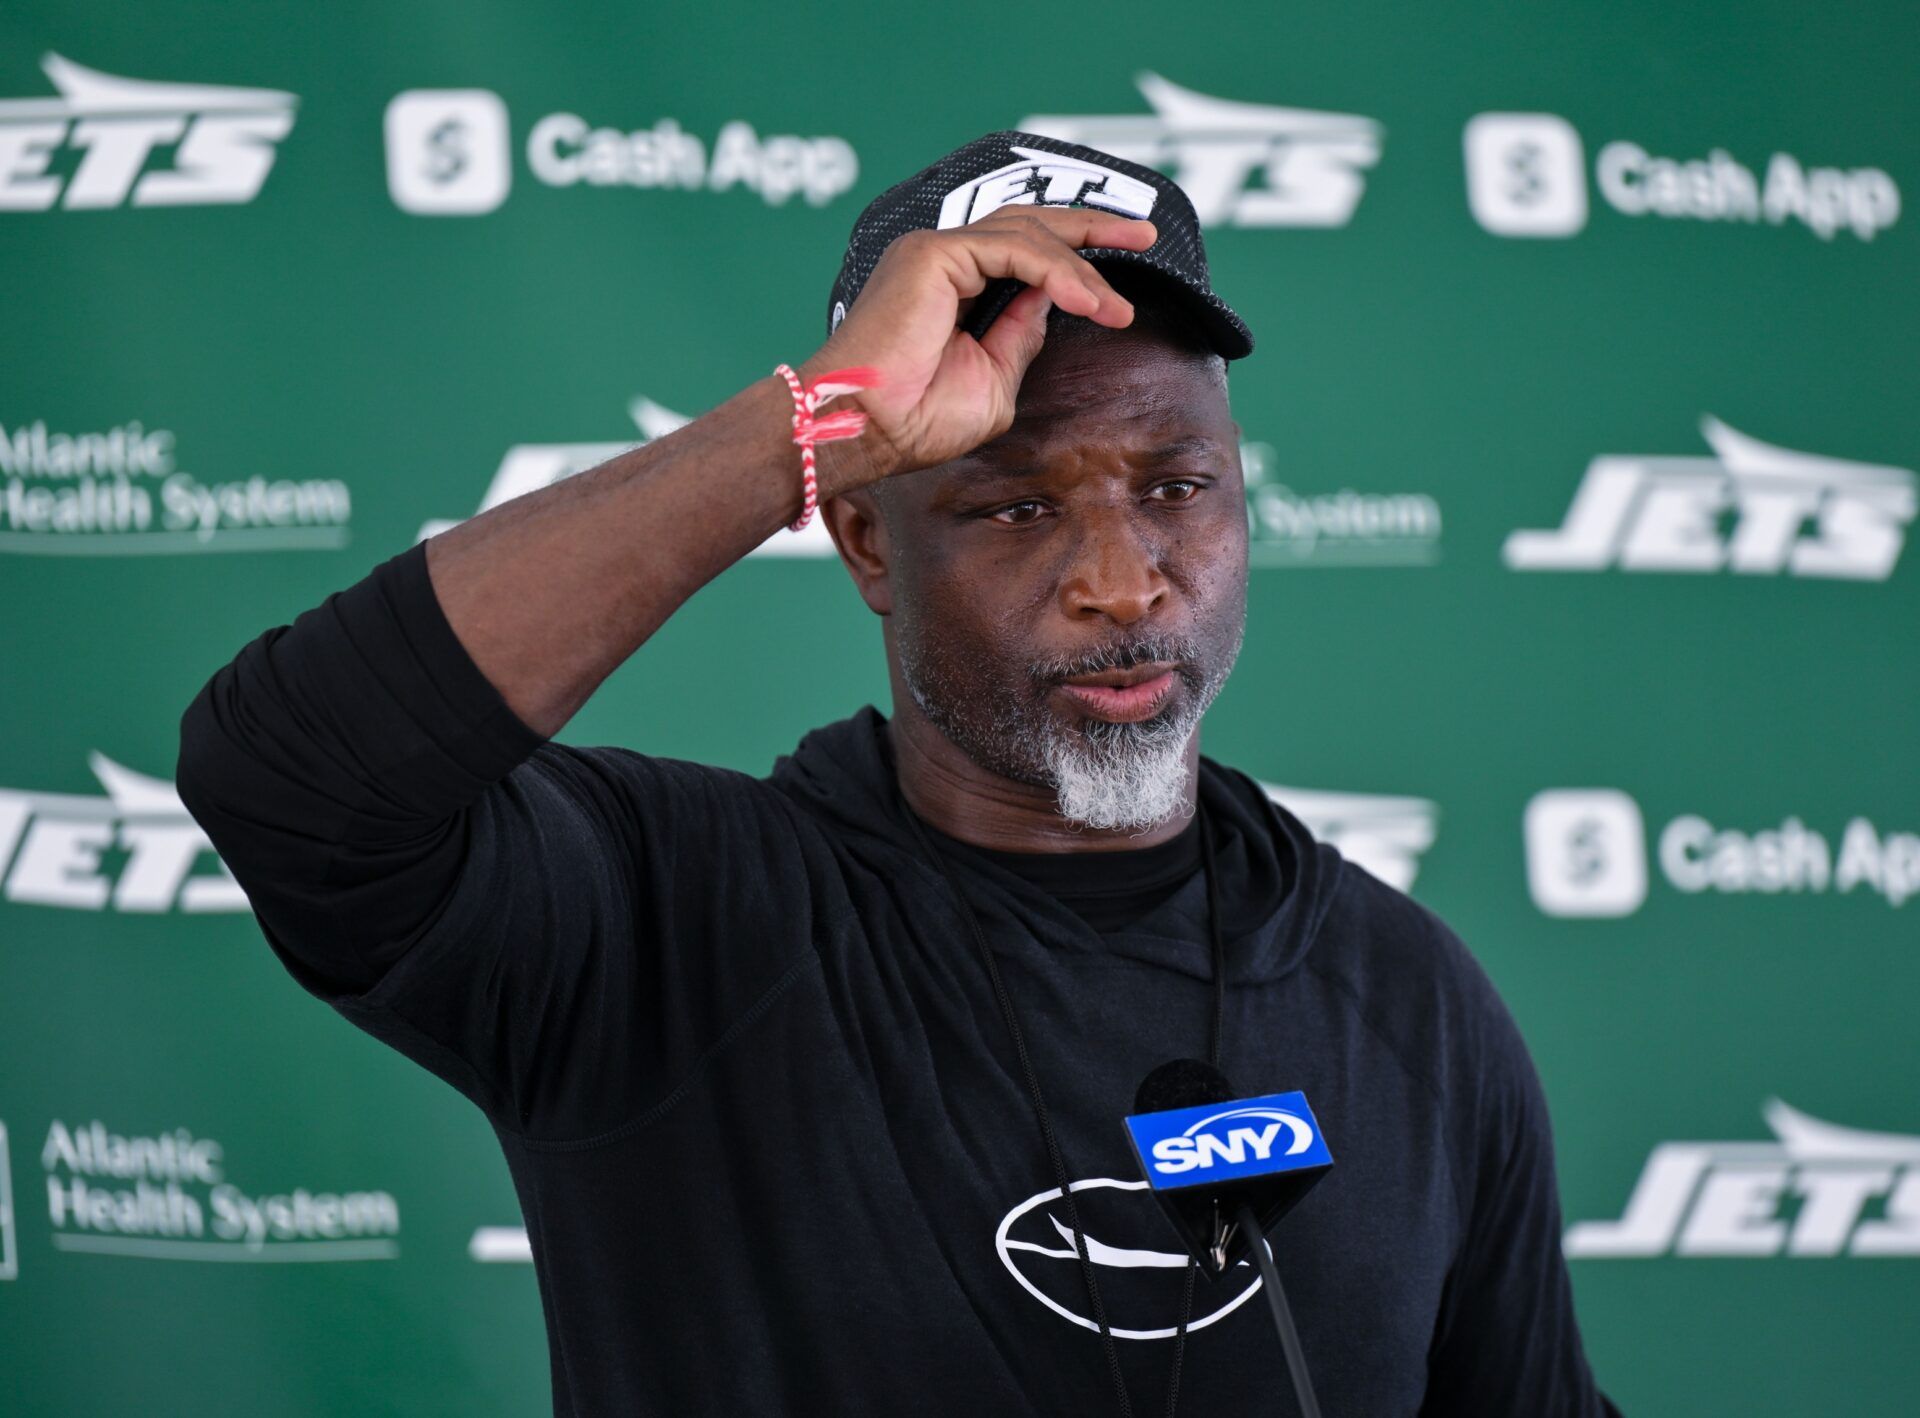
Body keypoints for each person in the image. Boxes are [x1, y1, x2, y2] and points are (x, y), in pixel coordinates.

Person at [177, 131, 1621, 1416]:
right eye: (1014, 503)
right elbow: (290, 774)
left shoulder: (1410, 996)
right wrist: (815, 426)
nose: (1125, 583)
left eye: (1177, 488)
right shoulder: (660, 924)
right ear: (870, 545)